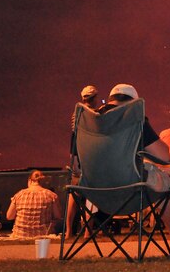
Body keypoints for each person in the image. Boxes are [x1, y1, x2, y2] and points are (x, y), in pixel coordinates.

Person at [98, 83, 170, 255]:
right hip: (128, 188)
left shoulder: (86, 119)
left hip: (94, 190)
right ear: (134, 102)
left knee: (146, 163)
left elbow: (75, 164)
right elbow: (164, 155)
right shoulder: (134, 116)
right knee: (164, 184)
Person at [66, 84, 102, 236]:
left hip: (77, 158)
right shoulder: (97, 115)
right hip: (92, 159)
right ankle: (88, 230)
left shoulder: (76, 114)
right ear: (94, 99)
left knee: (74, 195)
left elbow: (74, 138)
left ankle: (68, 231)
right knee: (91, 195)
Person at [7, 170, 62, 238]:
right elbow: (58, 216)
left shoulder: (19, 195)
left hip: (20, 235)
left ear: (30, 180)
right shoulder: (51, 195)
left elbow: (9, 216)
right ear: (42, 181)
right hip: (43, 235)